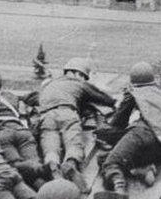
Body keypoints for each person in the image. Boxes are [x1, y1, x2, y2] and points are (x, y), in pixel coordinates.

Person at [95, 62, 161, 199]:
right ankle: (142, 169)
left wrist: (103, 127)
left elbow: (118, 122)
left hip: (144, 134)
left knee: (109, 162)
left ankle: (119, 189)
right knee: (109, 156)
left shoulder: (134, 92)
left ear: (133, 79)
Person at [37, 57, 116, 192]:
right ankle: (71, 163)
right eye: (83, 76)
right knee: (73, 141)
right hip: (67, 112)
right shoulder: (79, 83)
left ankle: (52, 164)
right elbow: (106, 99)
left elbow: (32, 98)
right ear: (77, 73)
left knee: (50, 144)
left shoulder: (49, 85)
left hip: (46, 116)